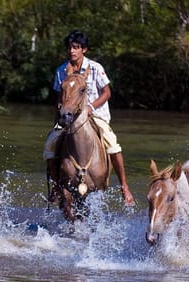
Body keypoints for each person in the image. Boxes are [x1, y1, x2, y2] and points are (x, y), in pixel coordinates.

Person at [43, 30, 134, 206]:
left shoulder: (96, 68)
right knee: (49, 145)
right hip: (67, 116)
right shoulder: (61, 70)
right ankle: (55, 186)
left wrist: (91, 107)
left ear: (83, 49)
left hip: (95, 115)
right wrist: (57, 119)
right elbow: (58, 97)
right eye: (70, 47)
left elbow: (107, 92)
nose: (72, 51)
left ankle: (124, 186)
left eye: (76, 47)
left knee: (112, 144)